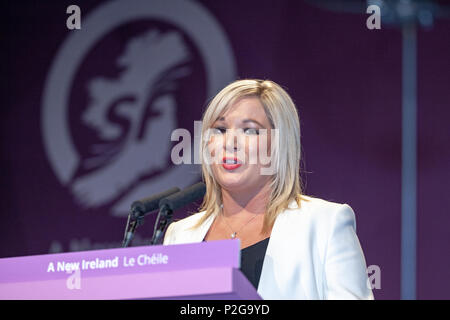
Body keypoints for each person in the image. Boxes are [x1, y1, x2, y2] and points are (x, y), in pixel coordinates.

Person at [163, 79, 373, 300]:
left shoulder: (324, 224)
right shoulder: (179, 236)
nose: (230, 142)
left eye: (250, 131)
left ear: (279, 146)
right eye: (220, 129)